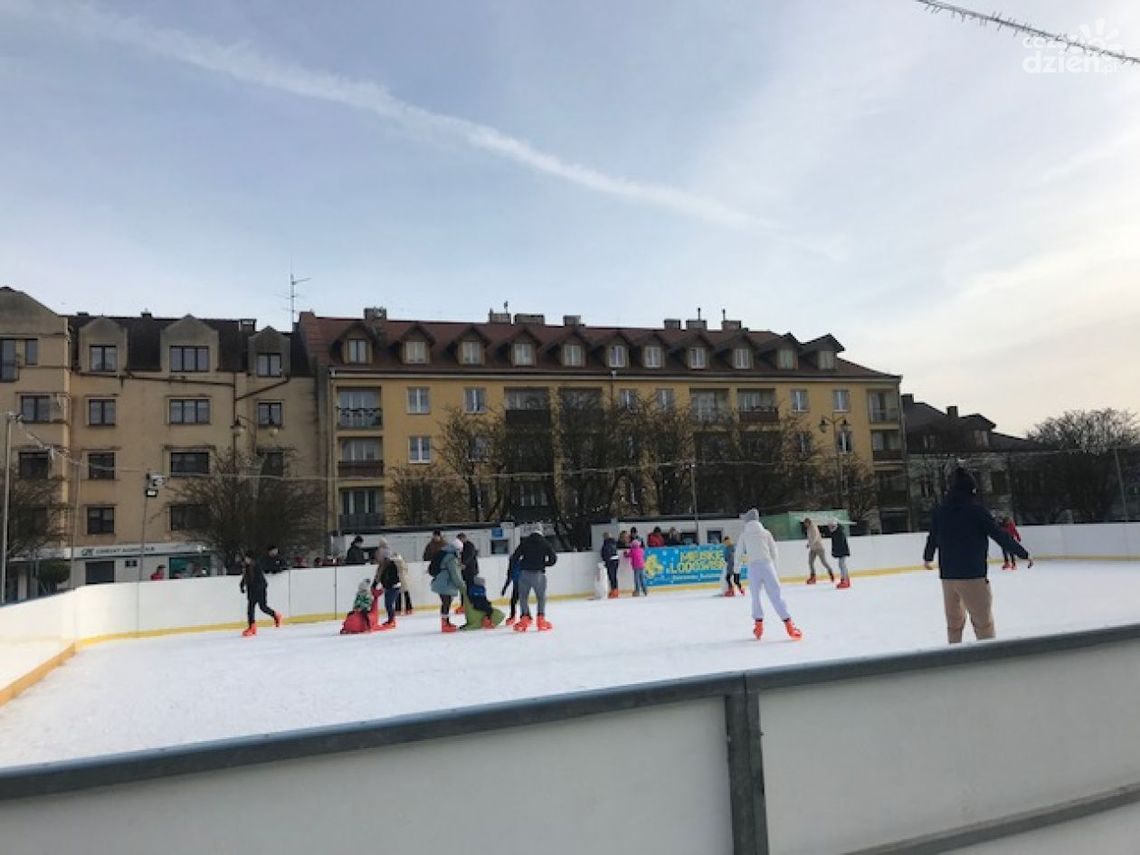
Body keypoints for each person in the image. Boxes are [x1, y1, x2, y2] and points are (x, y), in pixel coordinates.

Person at [923, 468, 1032, 644]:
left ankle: (954, 658)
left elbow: (932, 537)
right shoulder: (977, 511)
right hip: (972, 575)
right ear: (972, 490)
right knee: (983, 625)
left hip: (948, 576)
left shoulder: (941, 511)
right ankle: (988, 660)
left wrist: (928, 557)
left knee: (954, 625)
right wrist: (1022, 553)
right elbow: (999, 534)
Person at [735, 509, 802, 641]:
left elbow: (738, 554)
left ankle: (758, 626)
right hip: (767, 565)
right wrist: (774, 567)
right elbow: (774, 551)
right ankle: (789, 625)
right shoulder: (766, 533)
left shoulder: (744, 535)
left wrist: (736, 571)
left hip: (753, 567)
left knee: (755, 597)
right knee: (776, 596)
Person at [511, 525, 557, 632]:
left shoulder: (525, 542)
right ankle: (540, 620)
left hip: (524, 573)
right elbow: (553, 559)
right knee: (541, 597)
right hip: (538, 574)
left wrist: (521, 565)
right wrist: (544, 564)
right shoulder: (545, 543)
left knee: (523, 597)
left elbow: (515, 557)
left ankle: (524, 618)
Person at [239, 552, 283, 637]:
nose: (246, 560)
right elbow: (245, 577)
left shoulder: (256, 566)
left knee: (263, 607)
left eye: (247, 559)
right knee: (250, 609)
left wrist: (257, 589)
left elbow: (260, 580)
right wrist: (242, 585)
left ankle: (276, 615)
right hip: (252, 590)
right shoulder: (247, 567)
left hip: (260, 589)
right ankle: (252, 627)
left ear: (251, 559)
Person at [429, 538, 464, 633]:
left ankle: (446, 623)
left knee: (445, 602)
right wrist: (461, 585)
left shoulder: (444, 553)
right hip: (446, 583)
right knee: (446, 603)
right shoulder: (451, 558)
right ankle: (445, 624)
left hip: (440, 581)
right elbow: (455, 573)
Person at [373, 550, 401, 630]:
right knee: (387, 604)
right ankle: (391, 620)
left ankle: (392, 621)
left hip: (394, 587)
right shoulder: (381, 566)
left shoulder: (392, 565)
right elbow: (378, 577)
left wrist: (386, 586)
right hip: (388, 587)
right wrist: (374, 585)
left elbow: (393, 578)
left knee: (389, 603)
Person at [802, 517, 836, 584]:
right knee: (810, 562)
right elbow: (810, 538)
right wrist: (809, 544)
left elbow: (815, 537)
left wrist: (809, 544)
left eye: (805, 523)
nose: (805, 525)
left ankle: (830, 571)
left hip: (819, 548)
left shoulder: (813, 528)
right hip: (813, 549)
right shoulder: (808, 529)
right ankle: (813, 576)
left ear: (808, 522)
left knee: (823, 562)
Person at [828, 520, 852, 589]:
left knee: (842, 565)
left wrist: (836, 552)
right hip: (841, 551)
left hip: (843, 551)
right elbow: (835, 544)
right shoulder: (835, 532)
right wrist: (834, 552)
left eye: (831, 526)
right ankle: (845, 580)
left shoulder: (839, 532)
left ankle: (845, 580)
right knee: (841, 565)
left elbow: (840, 544)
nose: (829, 528)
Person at [502, 553, 522, 626]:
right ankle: (513, 617)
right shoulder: (511, 568)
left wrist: (504, 589)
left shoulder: (520, 565)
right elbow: (509, 579)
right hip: (516, 586)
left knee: (517, 602)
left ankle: (525, 617)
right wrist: (504, 589)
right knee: (513, 602)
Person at [600, 532, 620, 599]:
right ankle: (615, 590)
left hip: (610, 561)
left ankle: (614, 591)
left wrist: (605, 560)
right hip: (616, 560)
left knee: (611, 576)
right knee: (614, 576)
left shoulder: (606, 544)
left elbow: (605, 553)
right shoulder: (614, 543)